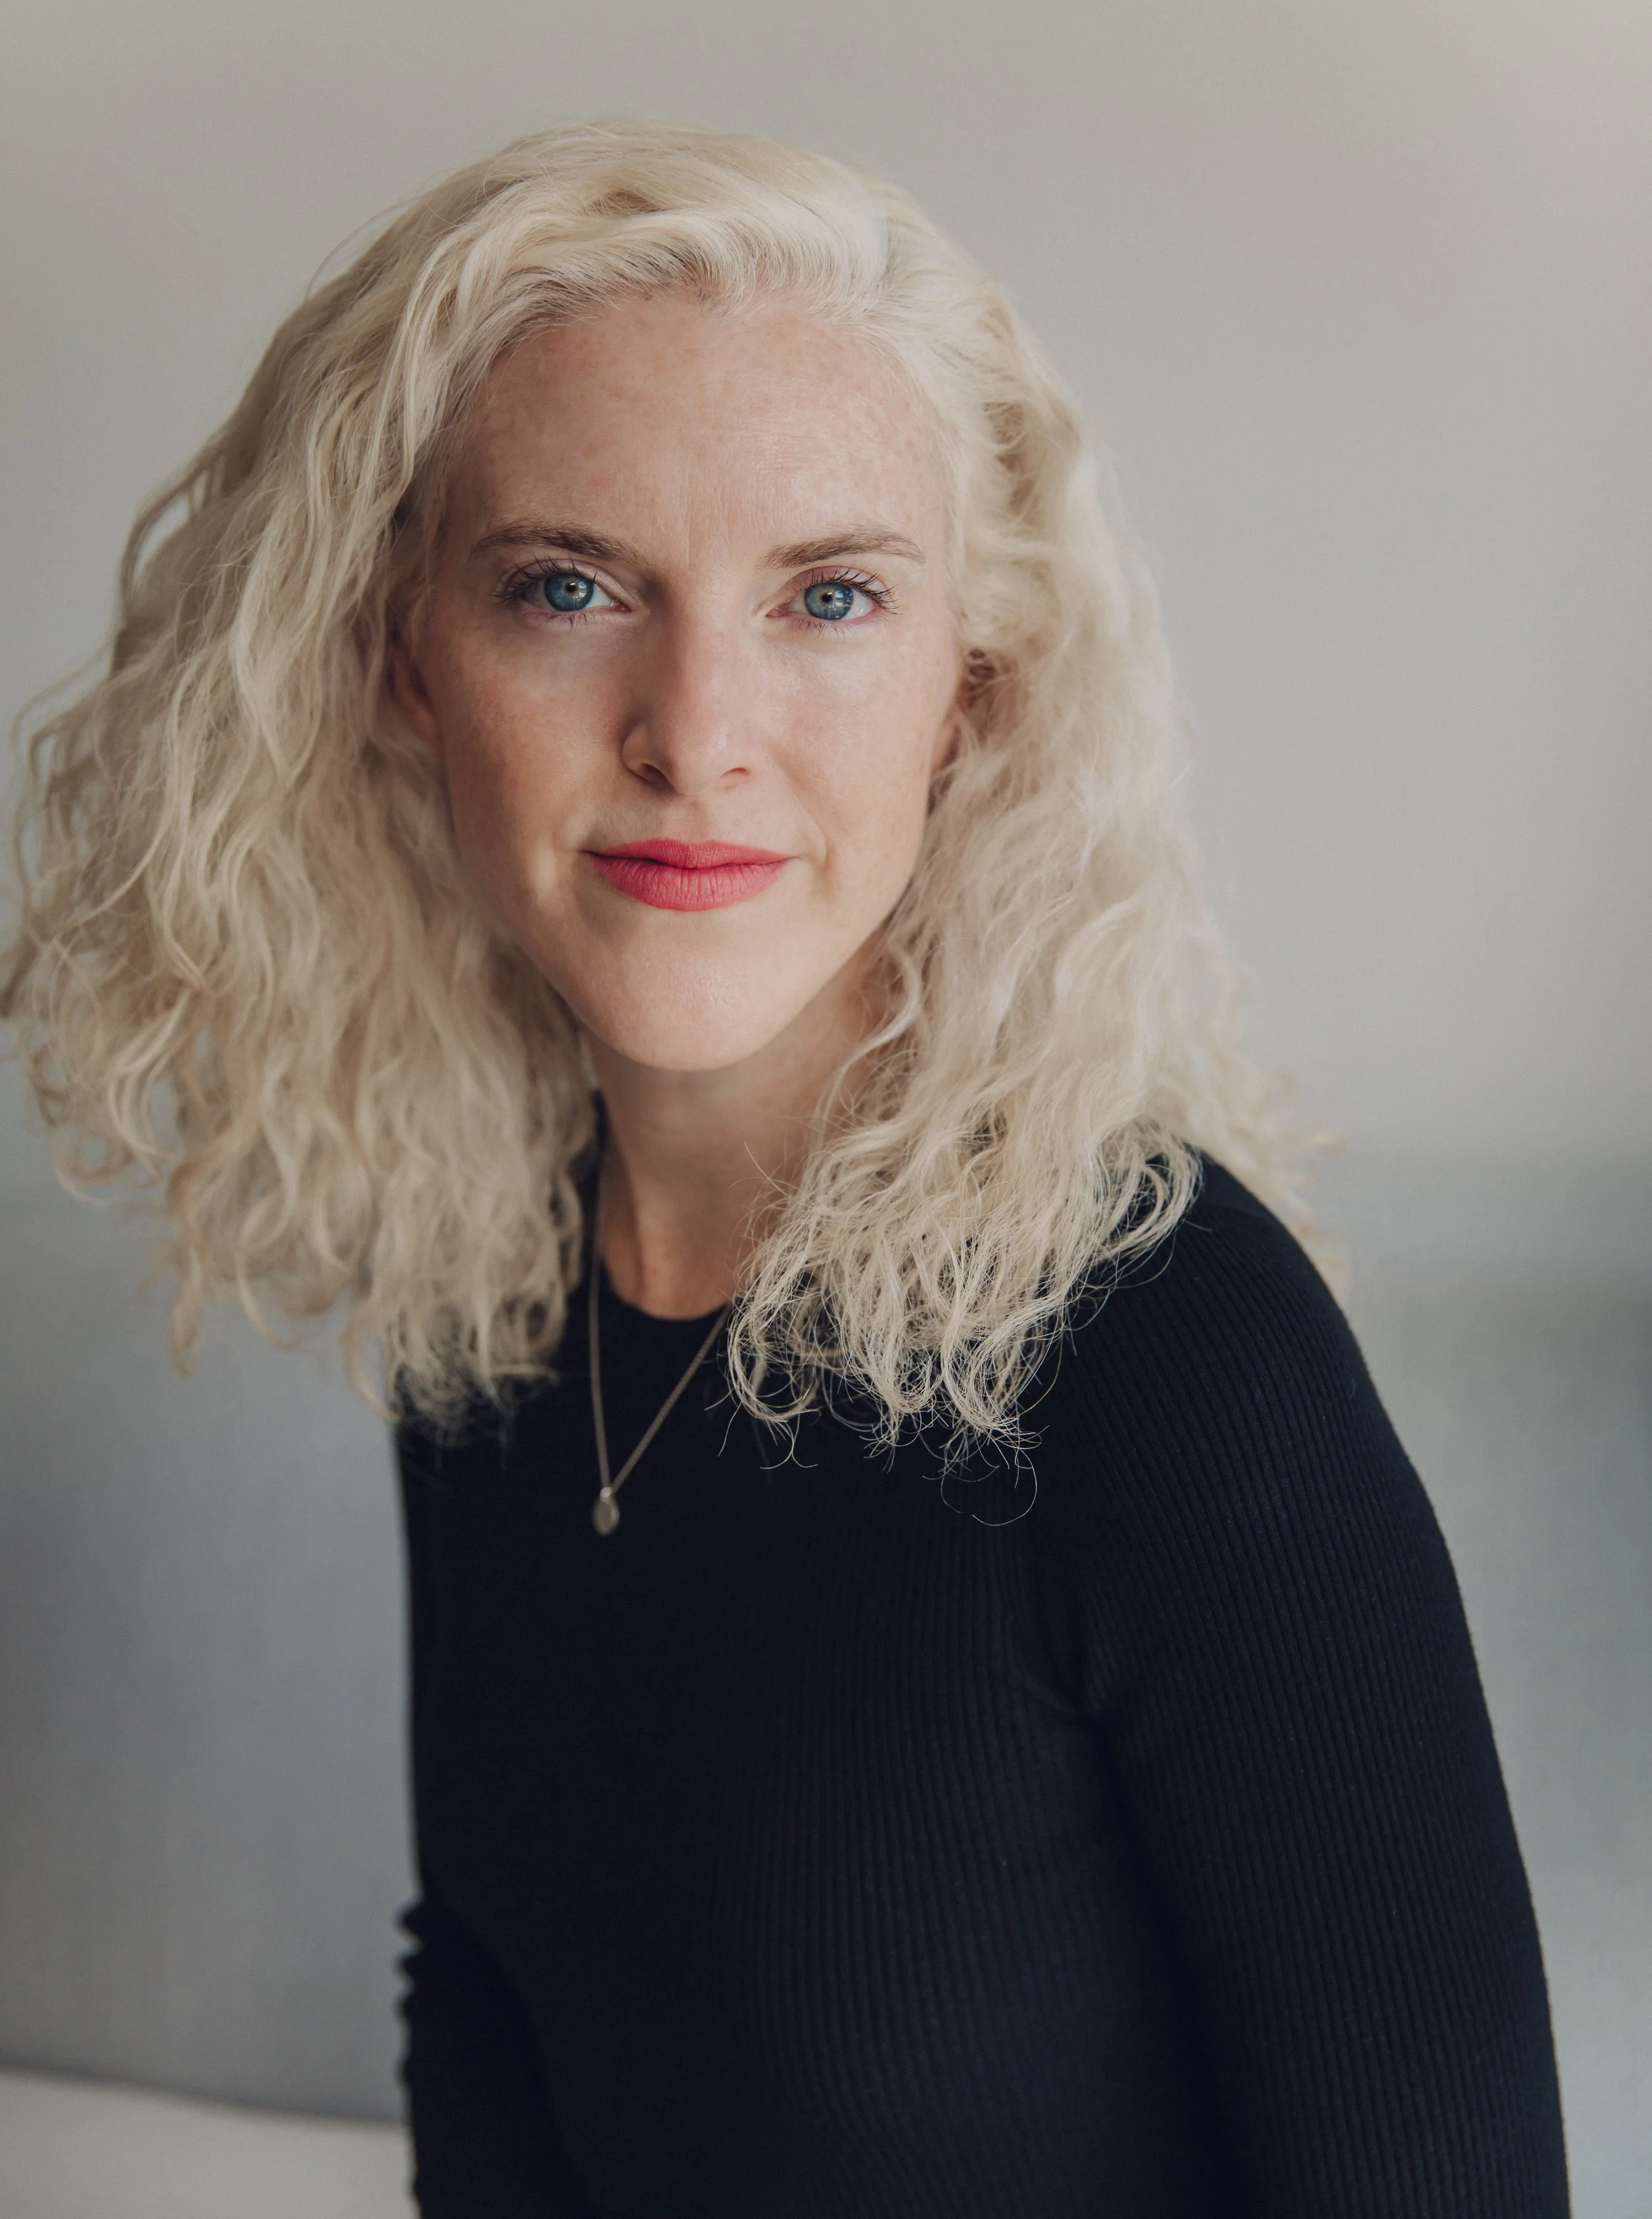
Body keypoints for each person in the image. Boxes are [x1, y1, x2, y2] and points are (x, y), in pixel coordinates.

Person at [3, 120, 1569, 2216]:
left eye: (827, 595)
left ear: (965, 700)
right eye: (568, 587)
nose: (695, 726)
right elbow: (488, 1983)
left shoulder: (1172, 1348)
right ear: (397, 657)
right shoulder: (493, 1261)